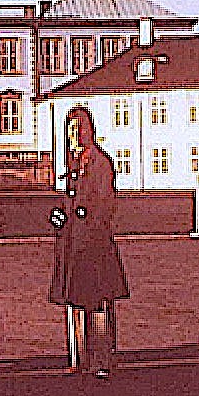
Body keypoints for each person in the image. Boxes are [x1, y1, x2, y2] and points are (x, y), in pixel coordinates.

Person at [49, 106, 129, 377]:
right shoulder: (71, 164)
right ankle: (78, 359)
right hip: (73, 244)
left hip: (94, 244)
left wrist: (87, 217)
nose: (76, 134)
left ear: (91, 131)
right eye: (71, 129)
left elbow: (106, 204)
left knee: (98, 304)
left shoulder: (100, 162)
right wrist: (60, 214)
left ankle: (102, 360)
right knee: (74, 302)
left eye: (81, 128)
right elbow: (68, 200)